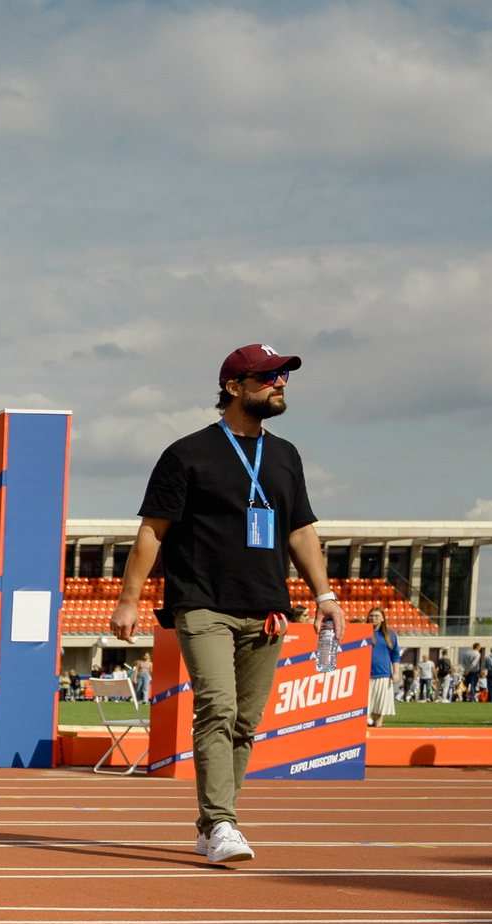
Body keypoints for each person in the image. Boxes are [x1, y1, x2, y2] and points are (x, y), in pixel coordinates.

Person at [111, 343, 339, 866]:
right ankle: (222, 823)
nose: (280, 383)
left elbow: (301, 531)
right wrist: (129, 601)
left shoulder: (286, 456)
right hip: (203, 603)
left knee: (245, 723)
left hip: (267, 608)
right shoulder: (186, 454)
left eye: (283, 376)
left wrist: (323, 595)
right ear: (234, 388)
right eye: (267, 377)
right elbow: (153, 531)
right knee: (219, 706)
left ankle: (212, 822)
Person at [366, 606, 401, 727]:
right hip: (365, 675)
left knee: (379, 707)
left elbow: (395, 655)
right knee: (365, 707)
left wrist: (396, 672)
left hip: (383, 674)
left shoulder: (389, 634)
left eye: (376, 616)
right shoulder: (363, 632)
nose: (373, 618)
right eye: (371, 616)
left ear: (382, 619)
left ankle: (378, 728)